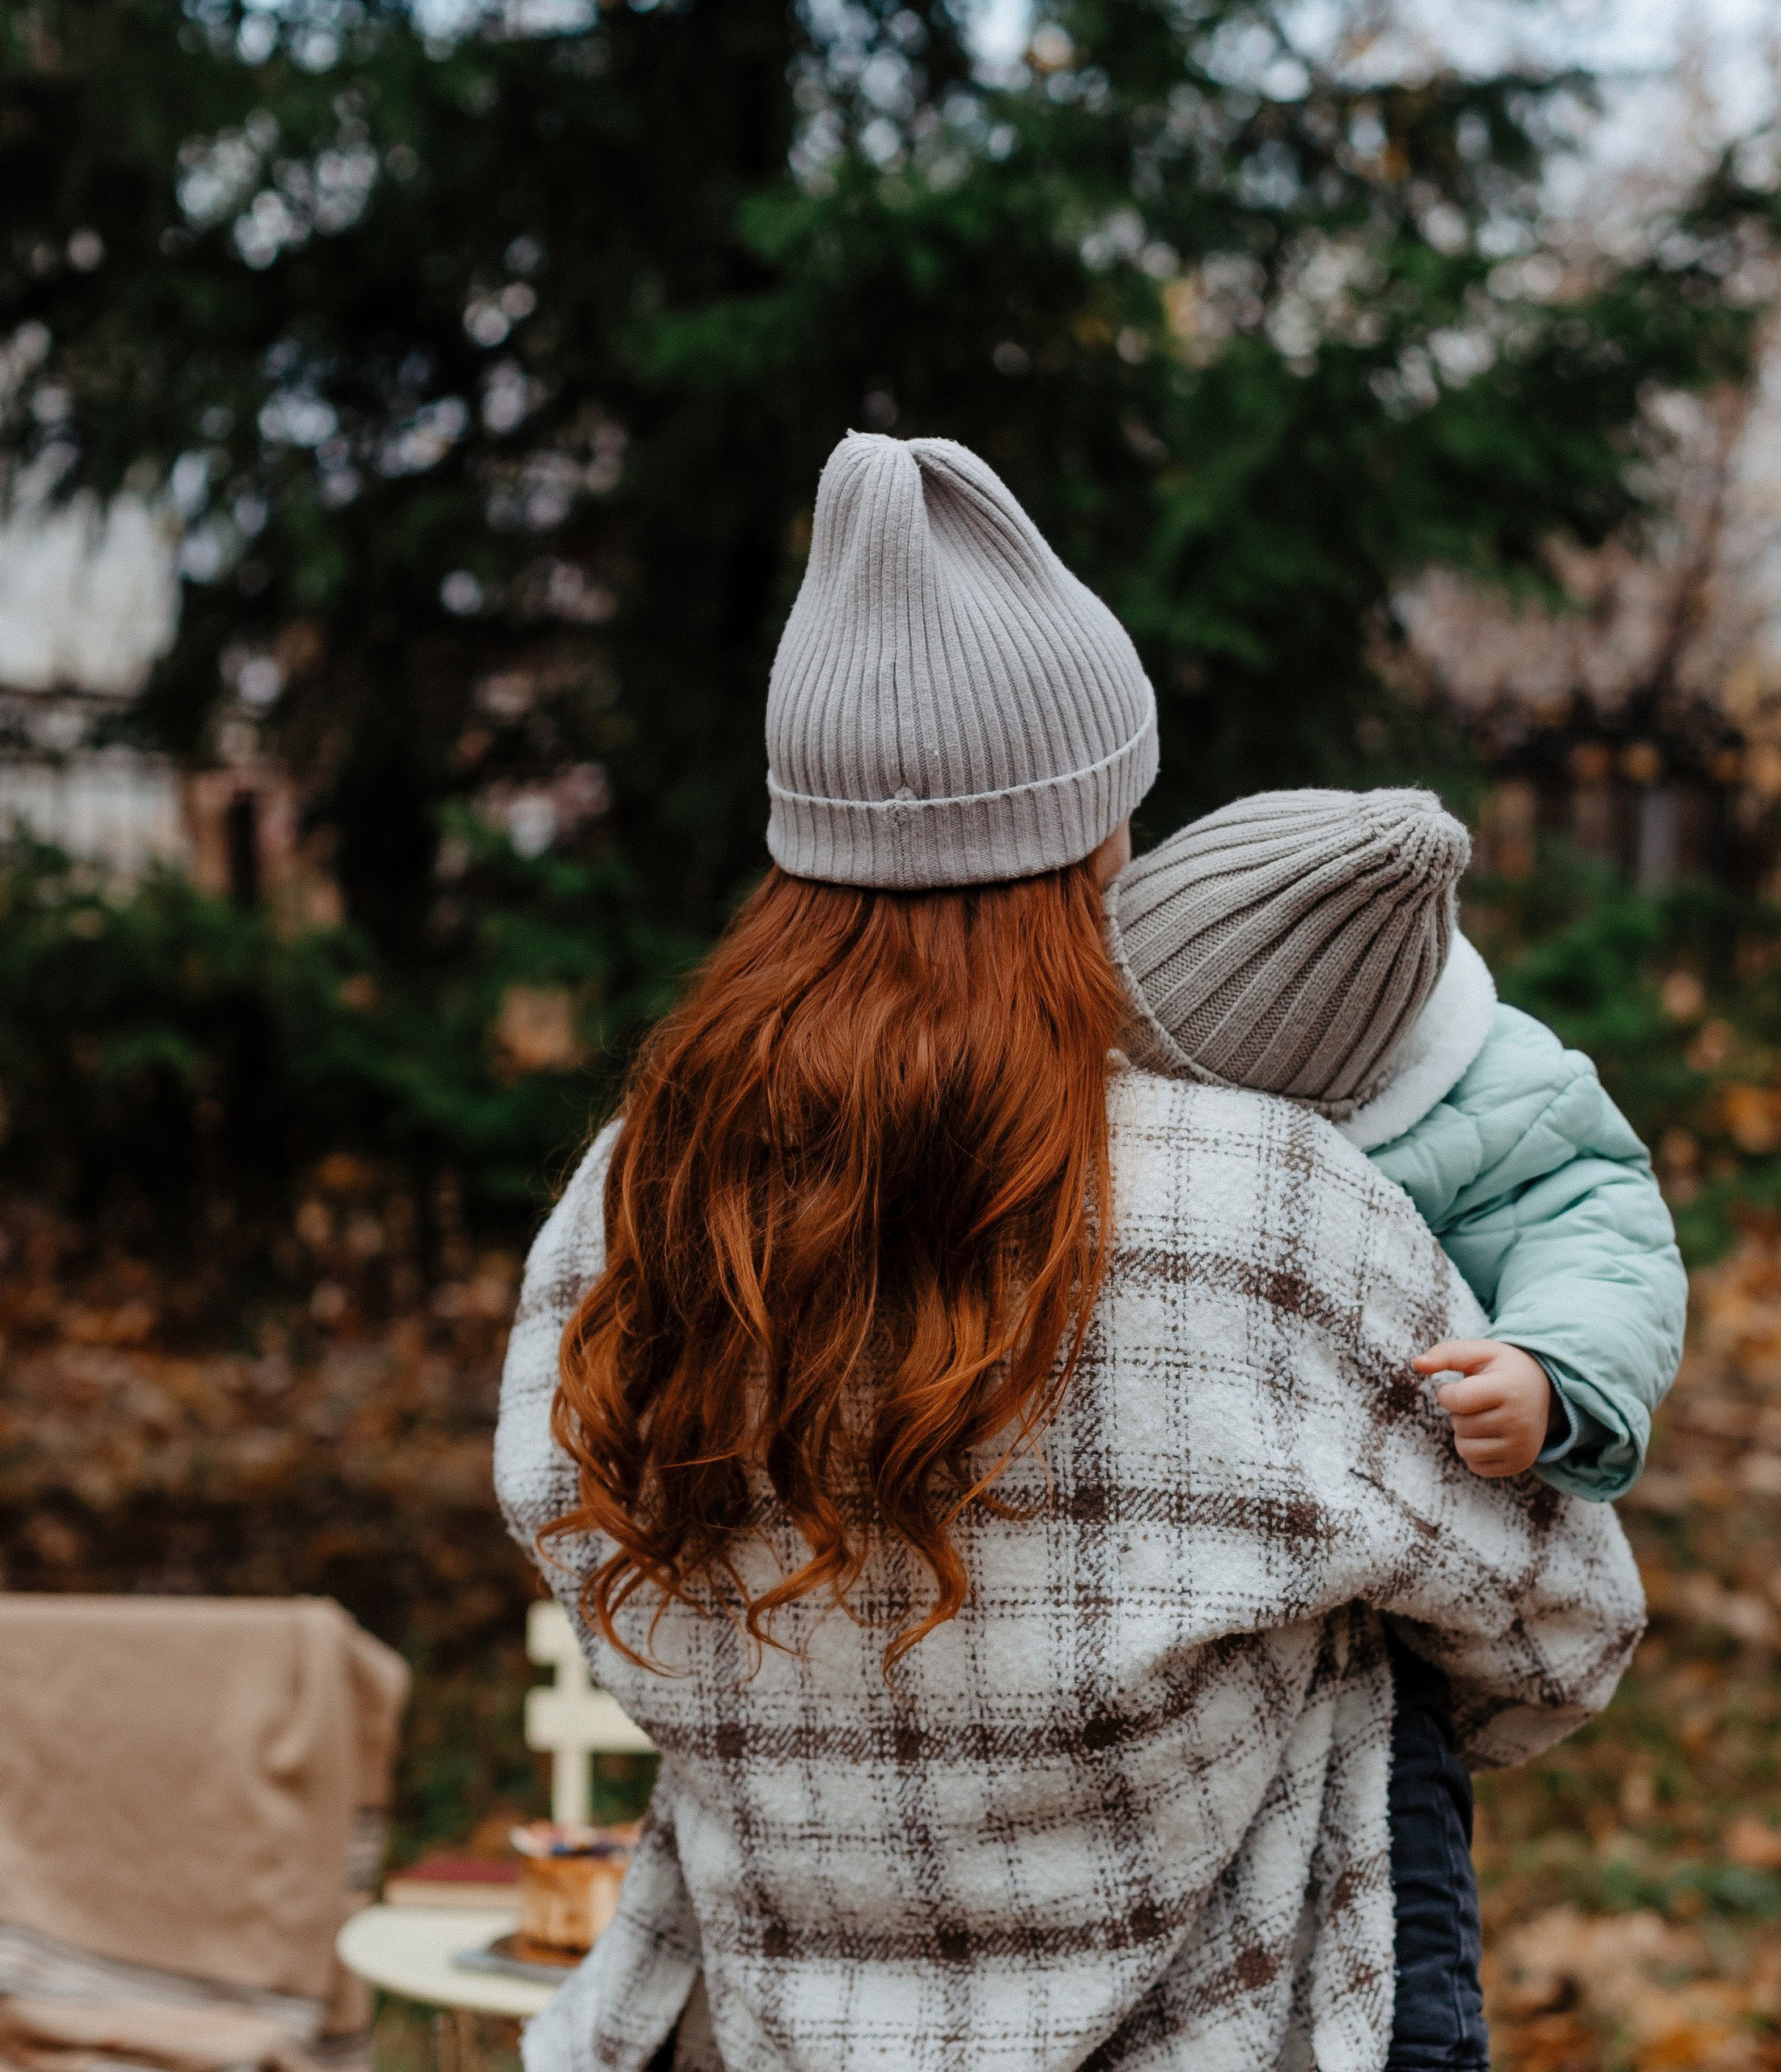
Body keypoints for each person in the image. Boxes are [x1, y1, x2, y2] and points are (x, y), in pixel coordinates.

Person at [495, 431, 1644, 2072]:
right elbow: (1562, 1633)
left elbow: (587, 1556)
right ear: (1100, 835)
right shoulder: (1267, 1205)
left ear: (794, 849)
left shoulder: (639, 1196)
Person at [1105, 785, 1688, 2070]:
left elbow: (1605, 1235)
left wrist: (1551, 1376)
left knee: (1402, 1911)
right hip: (1183, 1570)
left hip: (1389, 1597)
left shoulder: (1493, 1095)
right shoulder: (1134, 1000)